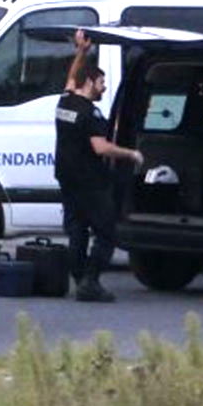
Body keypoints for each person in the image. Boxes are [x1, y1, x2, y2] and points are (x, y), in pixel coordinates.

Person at [55, 58, 143, 303]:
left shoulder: (65, 102)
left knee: (77, 231)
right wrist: (131, 154)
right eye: (101, 82)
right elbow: (101, 148)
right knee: (107, 232)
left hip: (67, 179)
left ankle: (79, 278)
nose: (104, 88)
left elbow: (72, 78)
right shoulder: (89, 113)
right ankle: (91, 281)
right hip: (90, 182)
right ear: (90, 82)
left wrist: (80, 52)